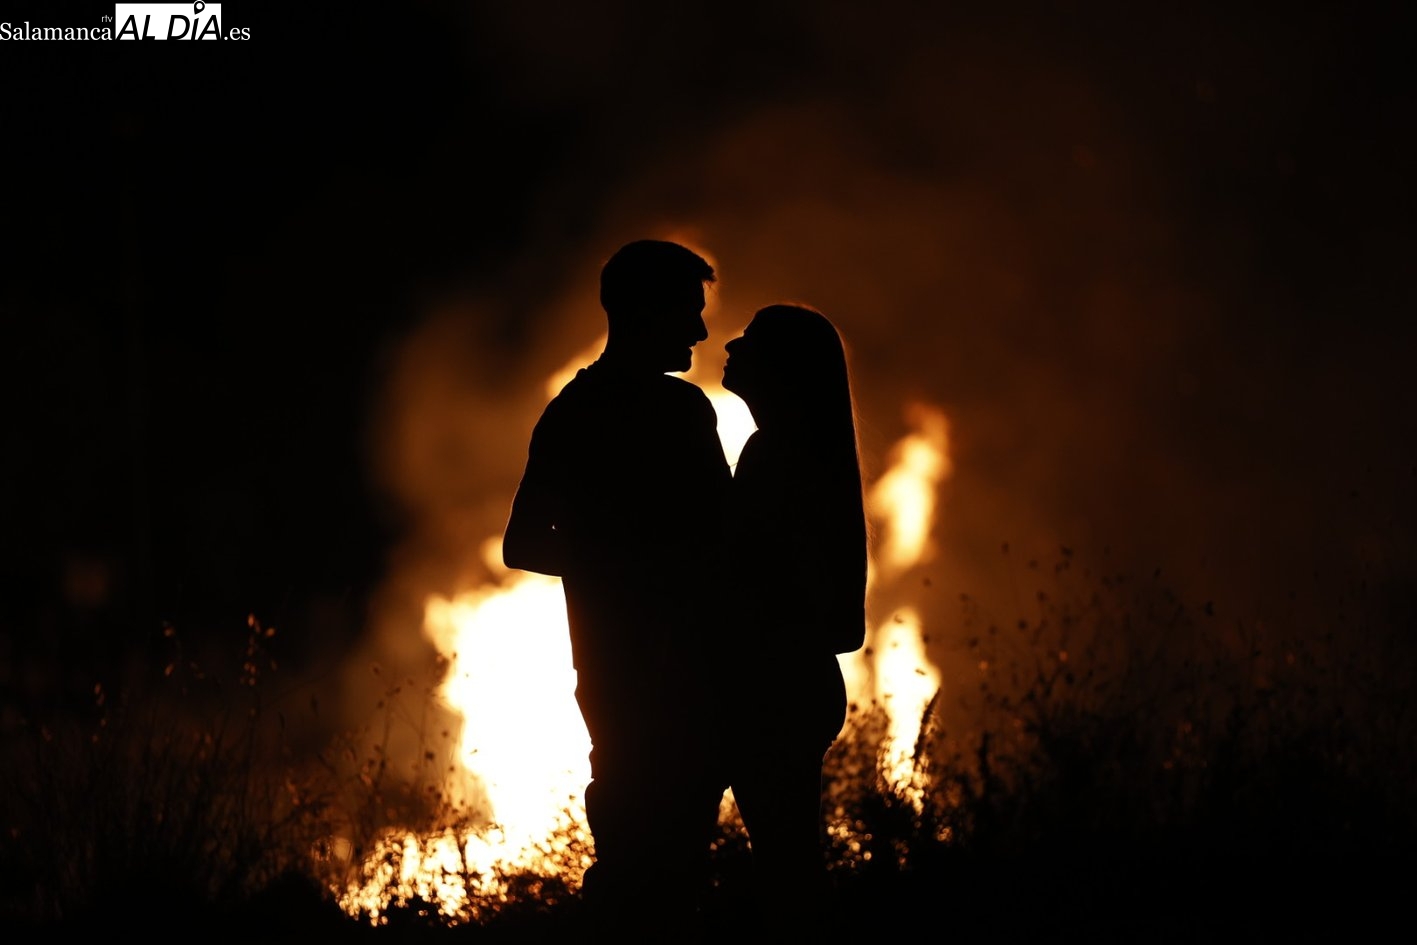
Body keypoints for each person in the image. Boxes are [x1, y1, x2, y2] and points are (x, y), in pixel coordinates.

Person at [501, 239, 732, 936]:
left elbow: (524, 543)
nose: (698, 330)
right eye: (686, 312)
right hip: (659, 677)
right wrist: (642, 563)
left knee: (642, 854)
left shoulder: (574, 409)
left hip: (625, 675)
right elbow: (521, 544)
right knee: (660, 860)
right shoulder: (674, 412)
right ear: (642, 311)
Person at [720, 303, 869, 933]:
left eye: (751, 342)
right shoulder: (800, 453)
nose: (729, 346)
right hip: (796, 684)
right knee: (786, 858)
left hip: (776, 688)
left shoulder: (779, 455)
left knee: (786, 864)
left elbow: (747, 575)